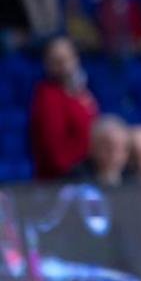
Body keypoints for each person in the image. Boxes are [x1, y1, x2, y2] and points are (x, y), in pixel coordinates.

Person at [30, 36, 99, 179]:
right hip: (65, 176)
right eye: (57, 61)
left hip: (91, 165)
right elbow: (57, 156)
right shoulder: (47, 97)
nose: (64, 66)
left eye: (67, 59)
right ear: (47, 64)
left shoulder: (84, 93)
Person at [69, 114, 130, 187]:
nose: (115, 156)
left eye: (122, 149)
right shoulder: (76, 179)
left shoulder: (132, 177)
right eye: (108, 149)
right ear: (93, 148)